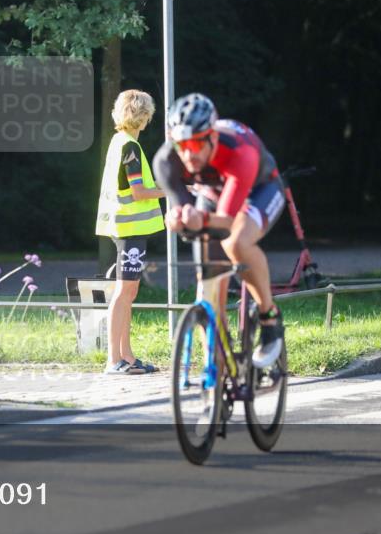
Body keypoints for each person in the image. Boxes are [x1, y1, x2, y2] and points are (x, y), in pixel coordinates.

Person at [152, 93, 286, 368]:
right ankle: (218, 381)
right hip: (212, 195)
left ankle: (269, 316)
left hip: (258, 190)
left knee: (236, 243)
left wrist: (198, 218)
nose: (189, 154)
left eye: (197, 144)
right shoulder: (166, 161)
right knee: (210, 290)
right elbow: (185, 211)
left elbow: (226, 220)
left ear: (212, 137)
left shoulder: (240, 152)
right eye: (182, 145)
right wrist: (178, 219)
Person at [96, 89, 166, 375]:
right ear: (145, 117)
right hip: (130, 228)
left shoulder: (118, 142)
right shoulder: (130, 147)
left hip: (123, 226)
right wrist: (173, 190)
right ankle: (114, 360)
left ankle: (127, 356)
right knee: (125, 292)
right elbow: (138, 192)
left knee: (128, 291)